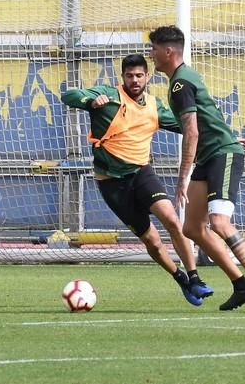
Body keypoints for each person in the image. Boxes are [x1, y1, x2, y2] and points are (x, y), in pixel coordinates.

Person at [62, 54, 213, 307]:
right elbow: (69, 96)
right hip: (111, 184)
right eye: (130, 76)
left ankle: (195, 277)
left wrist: (225, 137)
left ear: (147, 77)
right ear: (122, 77)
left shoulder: (154, 107)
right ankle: (181, 279)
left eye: (139, 75)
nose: (134, 80)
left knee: (173, 220)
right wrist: (90, 100)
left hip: (142, 174)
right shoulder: (107, 96)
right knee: (152, 240)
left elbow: (189, 126)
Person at [148, 25, 245, 313]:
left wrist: (182, 179)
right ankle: (241, 286)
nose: (151, 54)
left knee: (219, 223)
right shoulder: (183, 79)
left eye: (154, 49)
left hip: (220, 155)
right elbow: (210, 112)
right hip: (212, 155)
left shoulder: (181, 84)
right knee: (192, 227)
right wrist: (227, 134)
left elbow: (191, 132)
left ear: (168, 51)